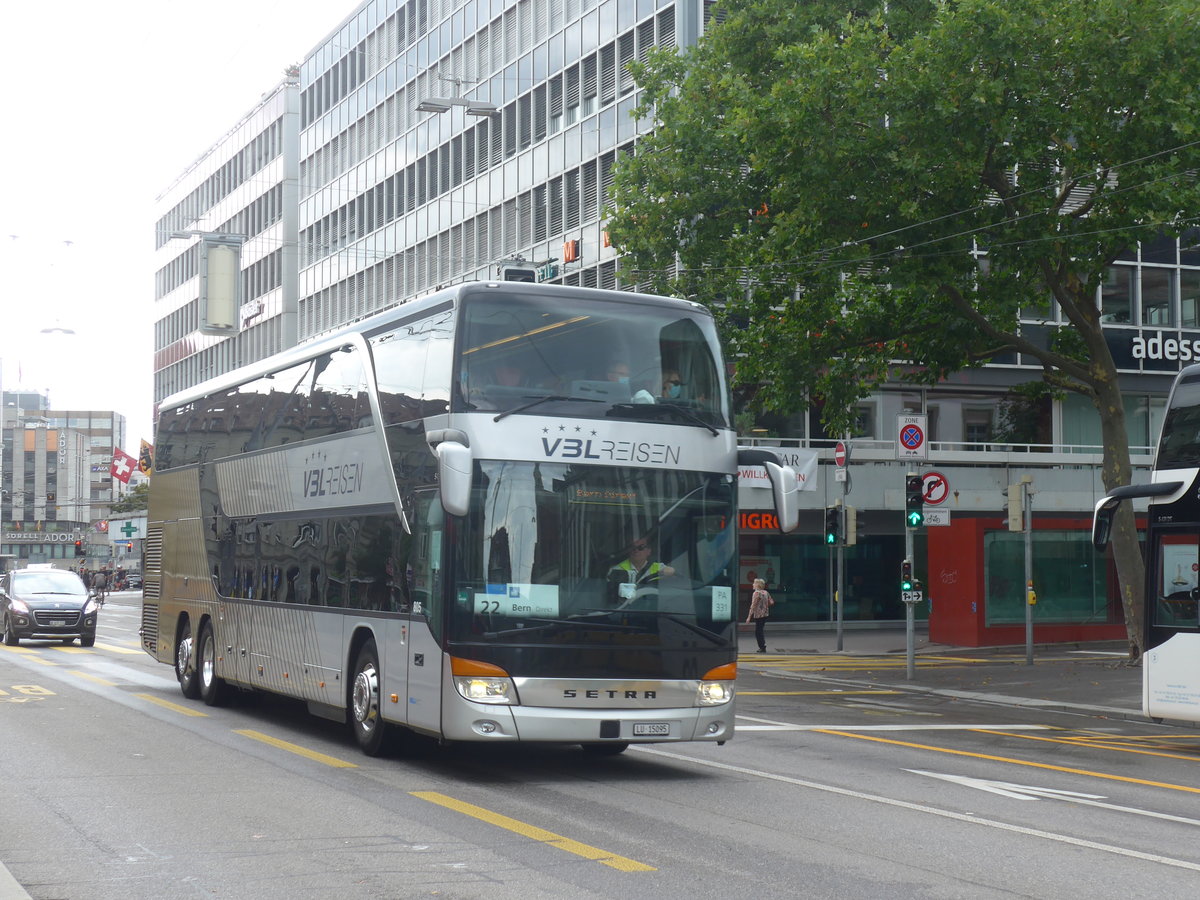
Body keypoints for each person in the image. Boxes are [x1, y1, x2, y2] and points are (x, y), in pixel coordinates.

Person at [609, 537, 676, 604]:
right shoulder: (616, 569)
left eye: (641, 547)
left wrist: (670, 570)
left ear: (648, 551)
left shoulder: (658, 567)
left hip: (650, 607)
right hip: (624, 609)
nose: (636, 550)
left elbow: (671, 571)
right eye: (633, 548)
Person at [746, 577, 774, 653]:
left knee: (758, 632)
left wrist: (749, 617)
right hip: (765, 614)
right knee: (760, 630)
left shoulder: (756, 593)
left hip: (759, 615)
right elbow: (771, 602)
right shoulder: (765, 592)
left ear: (758, 585)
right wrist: (764, 605)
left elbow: (753, 605)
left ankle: (762, 647)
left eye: (754, 583)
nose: (753, 584)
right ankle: (762, 646)